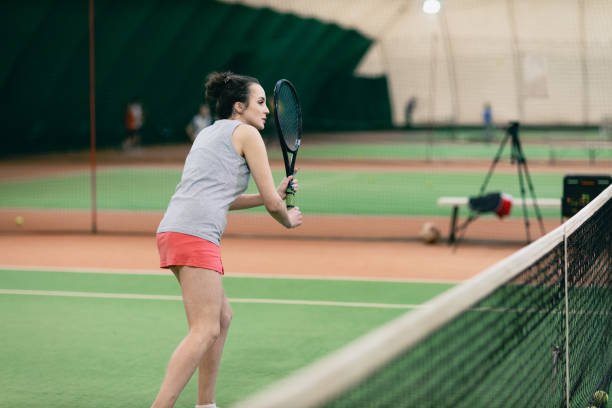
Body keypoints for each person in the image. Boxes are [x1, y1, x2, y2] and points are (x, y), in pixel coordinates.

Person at [152, 71, 303, 408]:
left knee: (221, 318)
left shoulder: (208, 134)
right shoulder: (248, 134)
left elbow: (224, 197)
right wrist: (286, 217)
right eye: (260, 102)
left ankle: (206, 403)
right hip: (195, 234)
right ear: (238, 107)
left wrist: (270, 197)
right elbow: (275, 205)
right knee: (204, 329)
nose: (267, 110)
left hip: (175, 230)